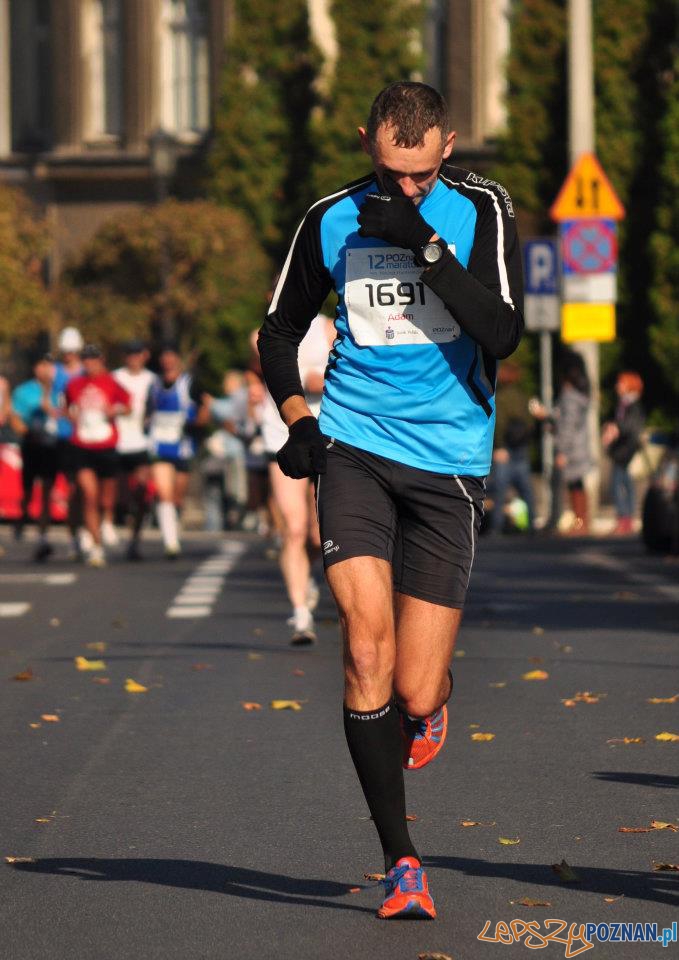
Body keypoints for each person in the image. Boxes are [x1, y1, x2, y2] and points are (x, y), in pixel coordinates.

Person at [258, 81, 523, 919]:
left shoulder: (482, 208)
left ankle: (433, 699)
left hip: (447, 461)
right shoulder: (329, 217)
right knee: (363, 649)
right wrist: (300, 422)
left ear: (447, 143)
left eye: (417, 174)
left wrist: (423, 244)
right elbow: (275, 332)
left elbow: (504, 331)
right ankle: (401, 860)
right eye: (387, 172)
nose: (400, 188)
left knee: (413, 687)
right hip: (356, 450)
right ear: (367, 139)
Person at [259, 314, 334, 644]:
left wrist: (324, 379)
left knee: (319, 538)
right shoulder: (261, 333)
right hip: (281, 435)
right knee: (293, 527)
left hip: (325, 433)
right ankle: (301, 613)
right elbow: (268, 364)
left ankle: (306, 579)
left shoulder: (330, 327)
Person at [65, 344, 131, 567]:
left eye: (93, 359)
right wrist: (70, 416)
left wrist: (116, 410)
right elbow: (66, 406)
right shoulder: (74, 384)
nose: (89, 363)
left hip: (106, 444)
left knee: (105, 498)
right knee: (89, 495)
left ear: (101, 360)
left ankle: (107, 522)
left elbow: (128, 405)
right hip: (82, 445)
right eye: (85, 359)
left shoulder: (111, 382)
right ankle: (96, 547)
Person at [147, 344, 208, 558]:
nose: (168, 362)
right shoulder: (153, 384)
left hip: (182, 447)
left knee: (176, 497)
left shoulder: (190, 384)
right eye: (164, 357)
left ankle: (173, 527)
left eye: (171, 357)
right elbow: (148, 411)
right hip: (159, 445)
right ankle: (170, 542)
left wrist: (196, 424)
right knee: (164, 493)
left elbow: (204, 407)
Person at [531, 350, 591, 535]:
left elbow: (567, 426)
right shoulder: (581, 394)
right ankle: (581, 521)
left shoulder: (570, 397)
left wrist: (562, 451)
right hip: (578, 447)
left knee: (565, 485)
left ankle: (576, 522)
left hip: (570, 450)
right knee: (576, 484)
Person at [9, 353, 61, 560]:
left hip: (53, 447)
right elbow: (15, 418)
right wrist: (28, 433)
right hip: (32, 446)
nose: (45, 370)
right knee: (29, 491)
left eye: (49, 366)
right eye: (41, 365)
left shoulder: (61, 389)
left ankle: (43, 536)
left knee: (47, 489)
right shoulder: (24, 391)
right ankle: (23, 515)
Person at [111, 341, 157, 559]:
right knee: (117, 496)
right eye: (129, 354)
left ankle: (134, 539)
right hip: (117, 442)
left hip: (141, 442)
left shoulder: (152, 380)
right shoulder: (116, 378)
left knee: (141, 492)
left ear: (144, 355)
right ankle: (109, 528)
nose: (133, 358)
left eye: (137, 353)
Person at [488, 362, 535, 534]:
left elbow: (498, 424)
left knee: (500, 490)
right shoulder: (523, 397)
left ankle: (497, 527)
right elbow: (530, 423)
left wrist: (498, 446)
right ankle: (531, 525)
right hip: (521, 448)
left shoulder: (500, 397)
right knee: (526, 489)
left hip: (505, 449)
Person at [53, 326, 85, 559]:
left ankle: (90, 530)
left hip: (88, 438)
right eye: (66, 351)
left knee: (87, 488)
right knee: (72, 488)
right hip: (64, 437)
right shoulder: (54, 373)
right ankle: (74, 536)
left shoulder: (87, 371)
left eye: (72, 351)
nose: (69, 355)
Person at [602, 371, 645, 535]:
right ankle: (622, 518)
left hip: (627, 450)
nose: (617, 386)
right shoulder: (622, 404)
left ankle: (626, 519)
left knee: (623, 485)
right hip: (619, 450)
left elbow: (630, 426)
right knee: (618, 485)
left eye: (621, 383)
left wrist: (615, 429)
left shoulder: (633, 405)